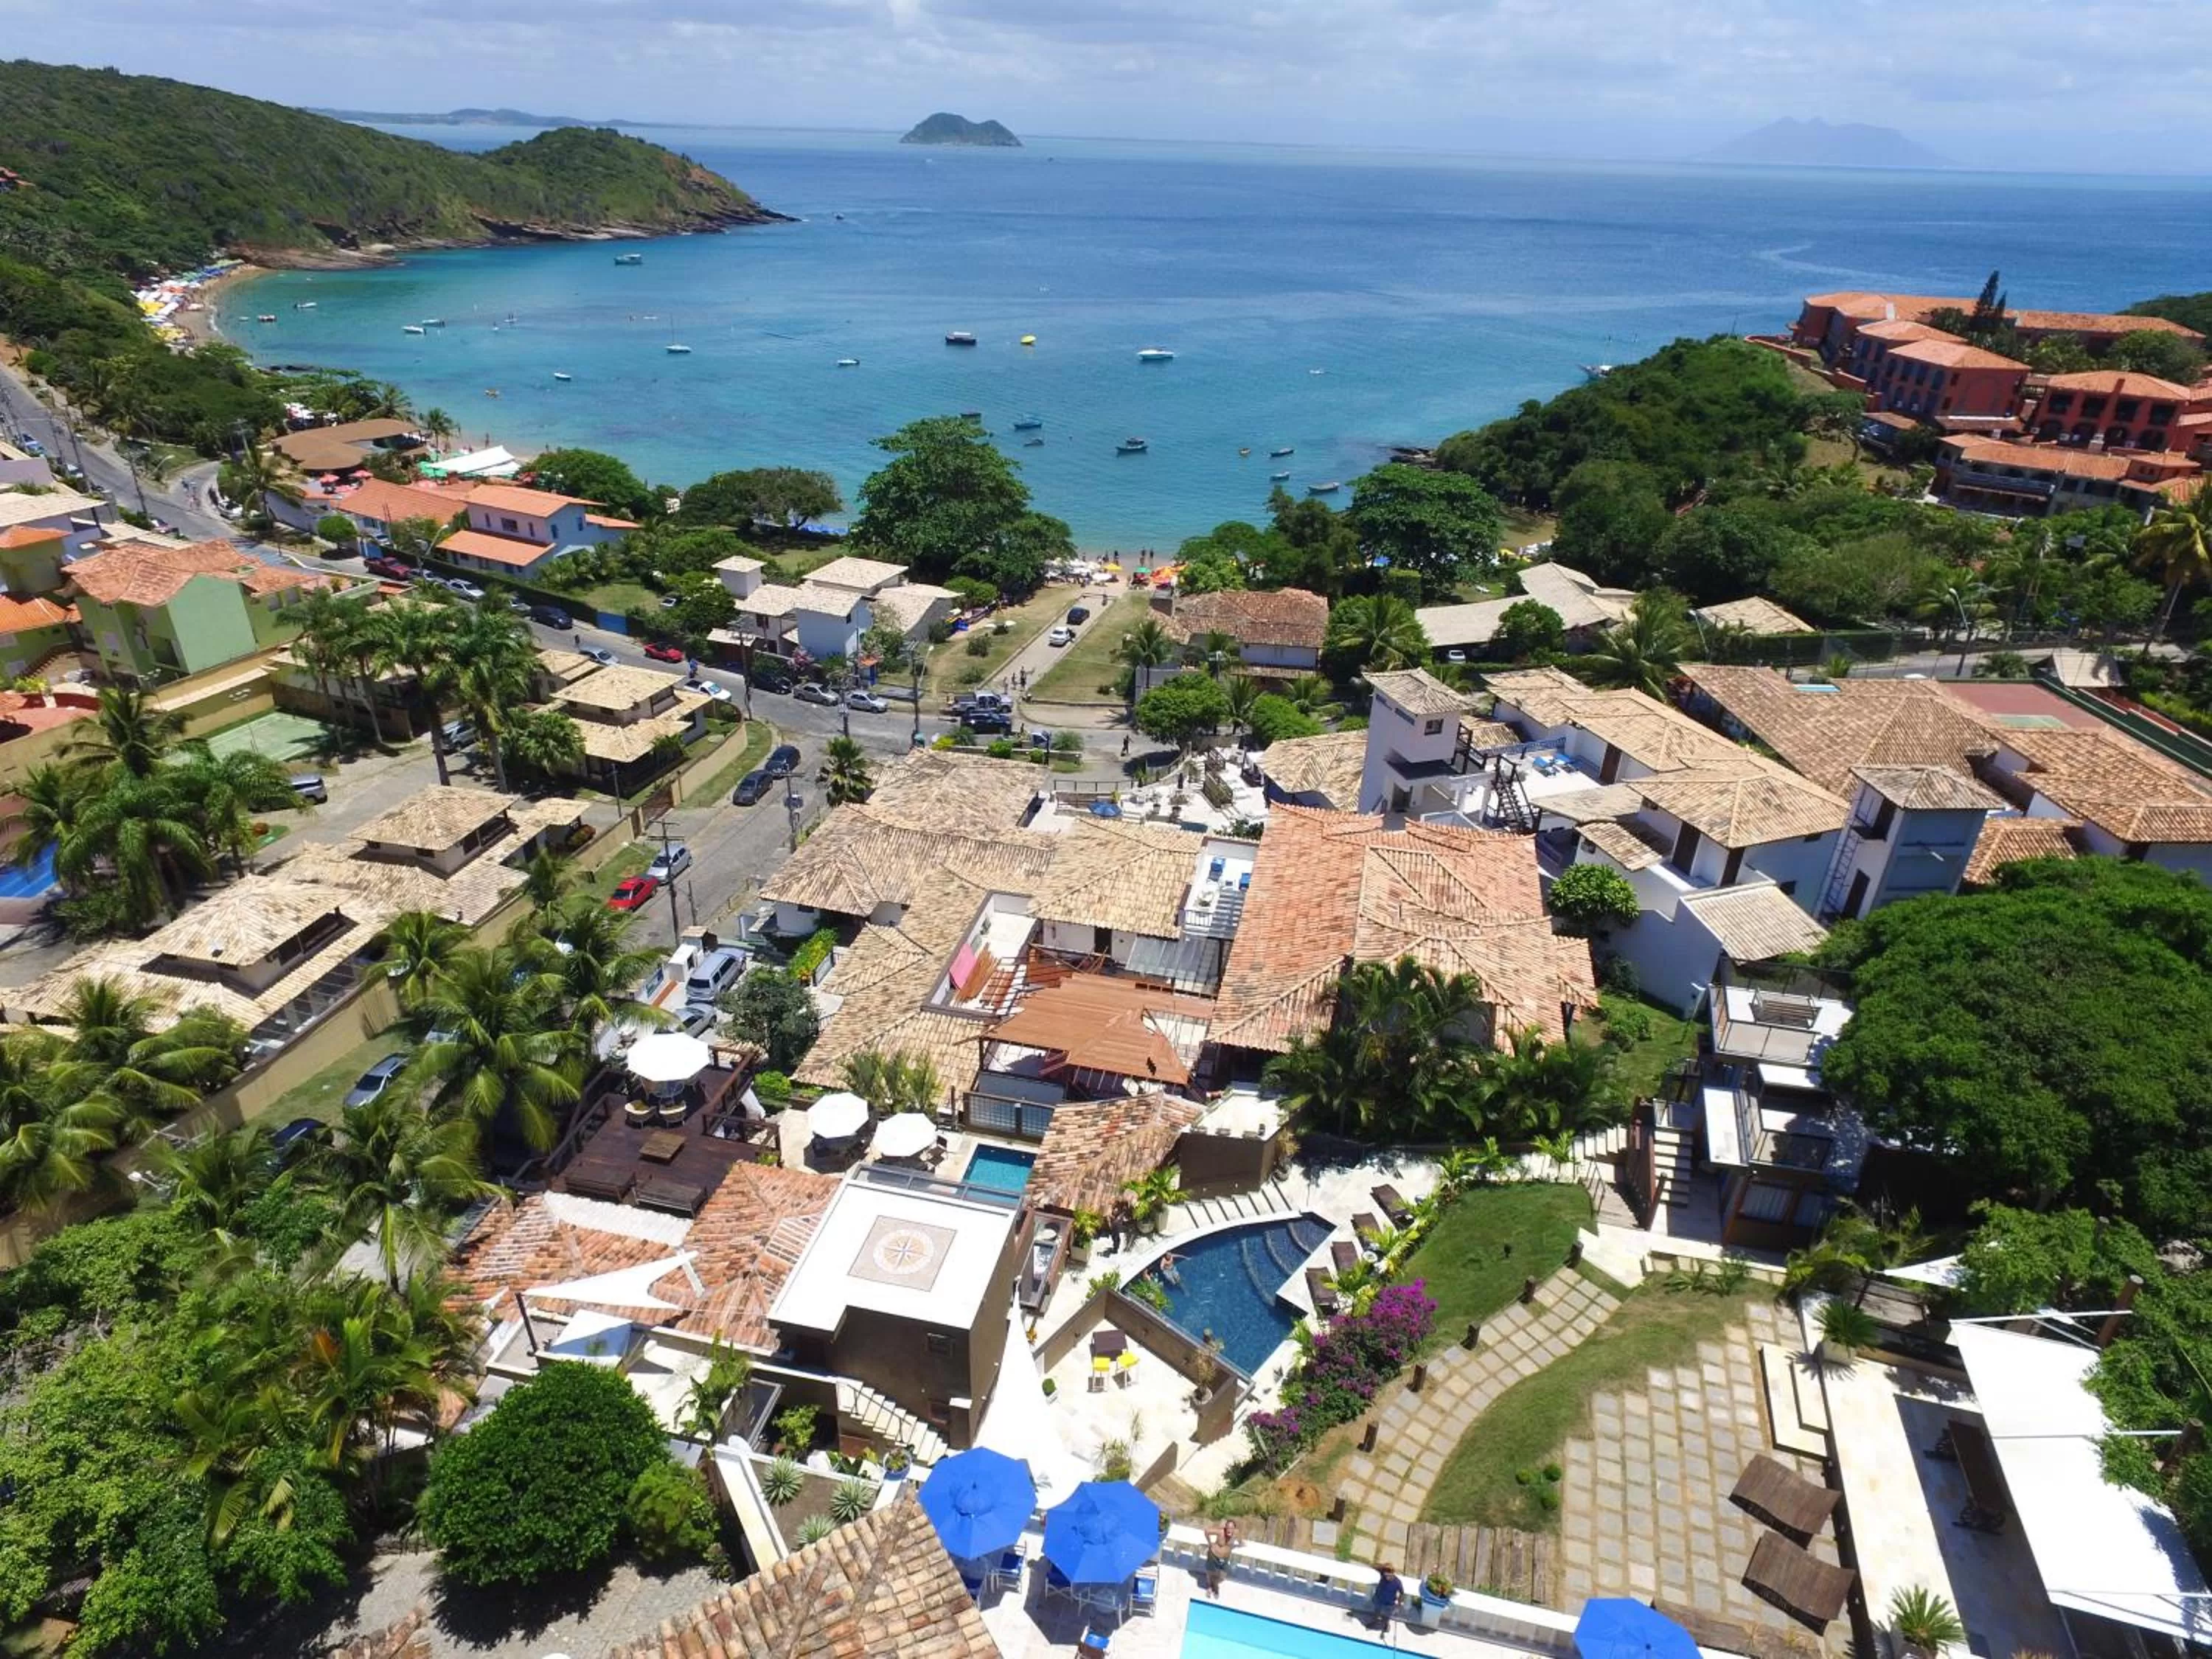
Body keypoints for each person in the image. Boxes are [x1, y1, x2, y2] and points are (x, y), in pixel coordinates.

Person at [1204, 1521, 1236, 1596]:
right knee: (1210, 1572)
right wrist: (1209, 1543)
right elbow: (1207, 1531)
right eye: (1228, 1527)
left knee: (1223, 1575)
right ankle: (1209, 1587)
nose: (1229, 1530)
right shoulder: (1220, 1532)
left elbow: (1241, 1541)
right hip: (1214, 1555)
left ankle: (1215, 1585)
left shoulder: (1236, 1534)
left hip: (1225, 1558)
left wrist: (1240, 1544)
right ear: (1225, 1527)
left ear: (1234, 1529)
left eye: (1231, 1528)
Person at [1367, 1565, 1402, 1629]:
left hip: (1389, 1603)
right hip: (1378, 1599)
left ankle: (1386, 1625)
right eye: (1385, 1575)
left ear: (1392, 1573)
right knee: (1376, 1612)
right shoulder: (1383, 1574)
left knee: (1387, 1616)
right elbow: (1376, 1567)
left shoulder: (1397, 1582)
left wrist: (1399, 1605)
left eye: (1389, 1576)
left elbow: (1401, 1593)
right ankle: (1374, 1623)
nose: (1387, 1577)